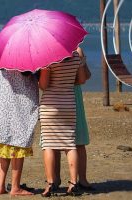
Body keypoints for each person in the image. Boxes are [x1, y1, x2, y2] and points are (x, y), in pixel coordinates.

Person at [0, 68, 39, 196]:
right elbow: (30, 75)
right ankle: (15, 187)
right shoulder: (25, 61)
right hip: (19, 105)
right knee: (18, 144)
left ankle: (0, 186)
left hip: (3, 107)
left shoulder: (1, 62)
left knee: (4, 144)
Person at [39, 49, 87, 197]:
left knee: (48, 145)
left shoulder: (48, 58)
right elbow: (82, 80)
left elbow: (44, 85)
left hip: (50, 106)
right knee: (69, 144)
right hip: (69, 105)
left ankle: (51, 183)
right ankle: (73, 183)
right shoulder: (75, 56)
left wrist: (41, 73)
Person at [54, 47, 95, 191]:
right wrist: (81, 62)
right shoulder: (77, 50)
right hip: (73, 96)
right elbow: (84, 78)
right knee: (79, 140)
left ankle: (55, 179)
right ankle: (82, 179)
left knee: (54, 143)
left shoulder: (48, 50)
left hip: (53, 97)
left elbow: (43, 83)